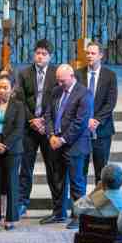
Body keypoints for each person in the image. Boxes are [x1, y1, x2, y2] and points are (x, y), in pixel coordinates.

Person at [42, 64, 93, 227]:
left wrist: (62, 139)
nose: (60, 84)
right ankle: (58, 213)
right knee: (57, 180)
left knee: (77, 183)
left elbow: (80, 122)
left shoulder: (84, 94)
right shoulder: (56, 91)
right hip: (56, 143)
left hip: (75, 145)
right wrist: (50, 135)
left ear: (72, 76)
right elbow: (48, 114)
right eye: (58, 81)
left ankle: (79, 218)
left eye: (62, 81)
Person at [16, 39, 58, 217]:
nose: (40, 56)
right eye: (38, 53)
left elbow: (57, 102)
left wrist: (44, 122)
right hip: (29, 127)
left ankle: (57, 204)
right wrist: (32, 119)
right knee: (26, 167)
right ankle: (22, 201)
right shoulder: (24, 73)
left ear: (50, 56)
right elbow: (20, 100)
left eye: (44, 54)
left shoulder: (56, 74)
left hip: (48, 127)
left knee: (53, 167)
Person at [76, 42, 118, 185]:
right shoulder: (78, 74)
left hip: (102, 130)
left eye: (93, 53)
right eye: (87, 53)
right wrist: (85, 120)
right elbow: (74, 100)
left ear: (101, 55)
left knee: (101, 171)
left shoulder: (110, 75)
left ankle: (100, 203)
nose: (89, 56)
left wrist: (96, 120)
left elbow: (110, 102)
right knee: (81, 170)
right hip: (82, 129)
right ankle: (80, 203)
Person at [0, 74, 24, 230]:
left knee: (11, 183)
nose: (2, 90)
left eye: (5, 87)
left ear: (12, 89)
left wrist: (5, 144)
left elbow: (19, 129)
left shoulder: (19, 105)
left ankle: (11, 218)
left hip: (12, 149)